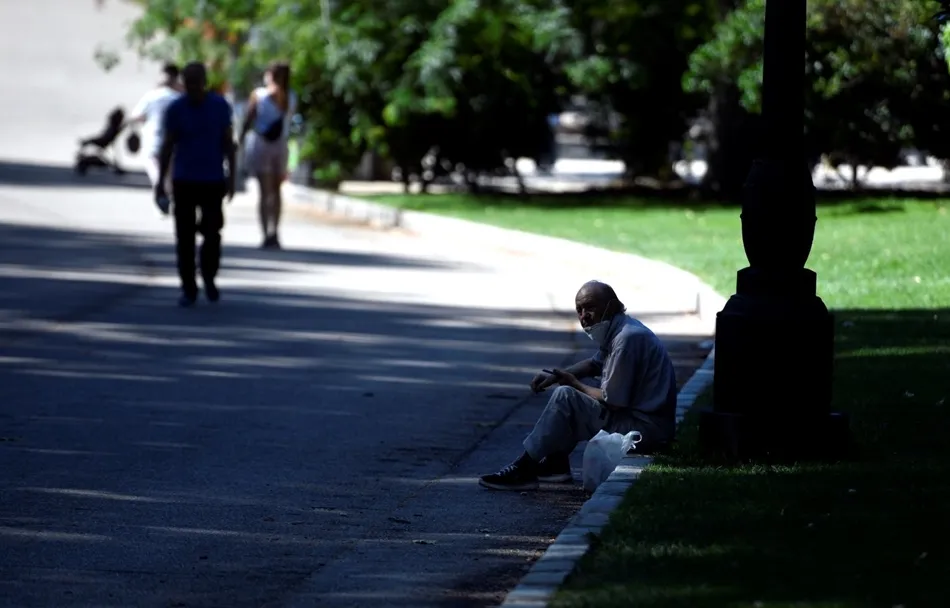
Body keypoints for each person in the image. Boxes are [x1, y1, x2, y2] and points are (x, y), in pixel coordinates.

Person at [479, 280, 679, 491]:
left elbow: (614, 402)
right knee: (575, 390)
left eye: (590, 308)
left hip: (646, 432)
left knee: (567, 396)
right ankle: (556, 465)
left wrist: (573, 383)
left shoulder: (626, 340)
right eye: (579, 310)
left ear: (610, 306)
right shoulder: (622, 330)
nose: (583, 316)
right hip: (643, 422)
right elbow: (594, 364)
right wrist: (555, 375)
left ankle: (525, 467)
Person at [156, 62, 236, 308]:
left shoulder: (219, 106)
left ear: (204, 81)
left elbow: (227, 143)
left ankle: (209, 276)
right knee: (184, 237)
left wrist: (231, 177)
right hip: (184, 180)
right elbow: (168, 146)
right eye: (188, 83)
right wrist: (161, 182)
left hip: (212, 180)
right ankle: (188, 287)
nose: (192, 88)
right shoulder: (176, 109)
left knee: (212, 233)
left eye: (196, 82)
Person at [239, 61, 297, 249]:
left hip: (262, 144)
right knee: (276, 191)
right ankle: (274, 232)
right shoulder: (290, 96)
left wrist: (239, 141)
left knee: (265, 193)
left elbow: (249, 119)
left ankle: (266, 233)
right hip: (280, 145)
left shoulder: (260, 94)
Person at [125, 63, 182, 195]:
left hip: (154, 143)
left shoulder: (151, 96)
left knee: (156, 174)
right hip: (175, 144)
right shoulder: (180, 98)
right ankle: (169, 201)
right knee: (170, 176)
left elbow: (136, 116)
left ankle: (161, 197)